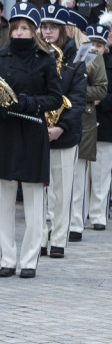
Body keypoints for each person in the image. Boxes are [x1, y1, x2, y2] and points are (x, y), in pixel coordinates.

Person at [0, 0, 63, 278]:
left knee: (34, 199)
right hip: (5, 133)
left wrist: (28, 103)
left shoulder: (46, 61)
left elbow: (55, 98)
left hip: (32, 132)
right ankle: (8, 258)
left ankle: (30, 258)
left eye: (25, 28)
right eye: (16, 28)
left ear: (34, 31)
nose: (19, 32)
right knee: (5, 198)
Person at [41, 9, 87, 257]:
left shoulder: (75, 60)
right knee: (40, 192)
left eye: (53, 26)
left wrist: (61, 127)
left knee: (62, 191)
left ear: (63, 30)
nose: (48, 30)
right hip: (38, 134)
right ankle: (41, 236)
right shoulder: (36, 56)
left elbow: (78, 99)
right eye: (44, 26)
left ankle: (58, 239)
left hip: (65, 135)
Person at [68, 20, 109, 237]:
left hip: (95, 122)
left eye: (99, 43)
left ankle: (88, 218)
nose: (95, 46)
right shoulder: (59, 53)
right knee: (68, 176)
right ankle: (65, 219)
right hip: (66, 118)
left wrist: (78, 96)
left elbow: (101, 89)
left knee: (94, 175)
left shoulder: (95, 58)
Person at [88, 15, 112, 230]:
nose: (95, 48)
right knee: (83, 173)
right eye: (92, 44)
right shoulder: (80, 63)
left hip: (105, 124)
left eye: (100, 45)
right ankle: (82, 212)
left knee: (102, 172)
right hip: (83, 123)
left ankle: (98, 214)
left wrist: (101, 100)